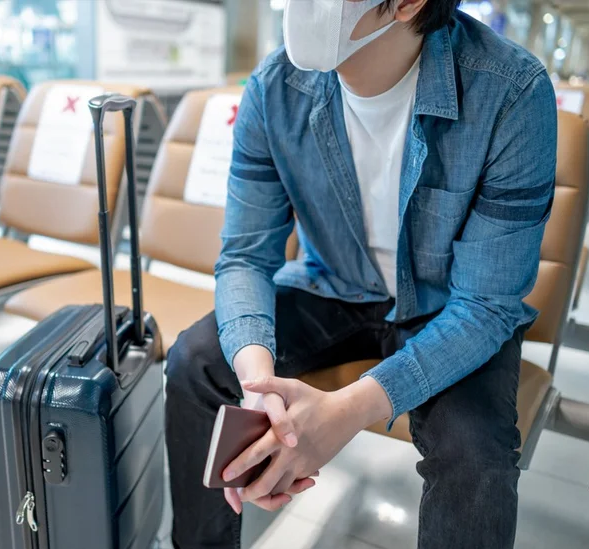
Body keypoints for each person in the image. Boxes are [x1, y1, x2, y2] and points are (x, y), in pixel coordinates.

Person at [165, 0, 557, 547]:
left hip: (451, 311)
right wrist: (258, 384)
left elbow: (488, 305)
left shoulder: (510, 93)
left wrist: (345, 412)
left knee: (473, 448)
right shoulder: (275, 89)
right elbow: (246, 256)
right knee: (198, 361)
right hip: (337, 285)